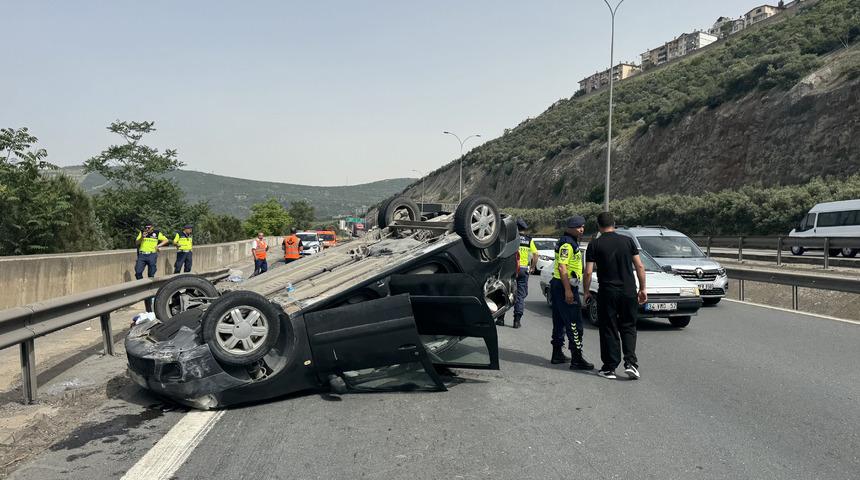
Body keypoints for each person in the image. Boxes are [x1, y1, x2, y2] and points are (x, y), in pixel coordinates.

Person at [583, 212, 647, 380]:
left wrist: (587, 291)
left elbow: (588, 272)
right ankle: (631, 364)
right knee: (628, 326)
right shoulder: (627, 241)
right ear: (615, 223)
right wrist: (643, 288)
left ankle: (609, 368)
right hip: (628, 291)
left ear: (598, 225)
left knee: (609, 328)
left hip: (608, 292)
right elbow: (640, 266)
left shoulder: (594, 245)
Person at [549, 215, 594, 370]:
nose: (581, 229)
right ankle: (577, 358)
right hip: (564, 286)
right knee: (575, 323)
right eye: (578, 227)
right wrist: (568, 290)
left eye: (582, 226)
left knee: (559, 321)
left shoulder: (568, 241)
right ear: (570, 228)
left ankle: (557, 354)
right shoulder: (568, 244)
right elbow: (562, 267)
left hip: (559, 285)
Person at [497, 218, 537, 329]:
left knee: (505, 293)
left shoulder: (511, 238)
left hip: (510, 270)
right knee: (520, 296)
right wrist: (532, 267)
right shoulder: (529, 240)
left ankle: (500, 318)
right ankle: (516, 321)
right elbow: (536, 254)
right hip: (524, 270)